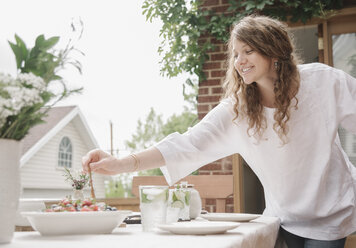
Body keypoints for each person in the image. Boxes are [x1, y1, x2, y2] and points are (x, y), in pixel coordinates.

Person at [82, 15, 356, 248]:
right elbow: (186, 144)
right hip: (282, 215)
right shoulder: (238, 110)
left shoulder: (324, 82)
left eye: (248, 51)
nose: (239, 61)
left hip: (331, 211)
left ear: (273, 50)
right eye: (236, 54)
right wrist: (121, 164)